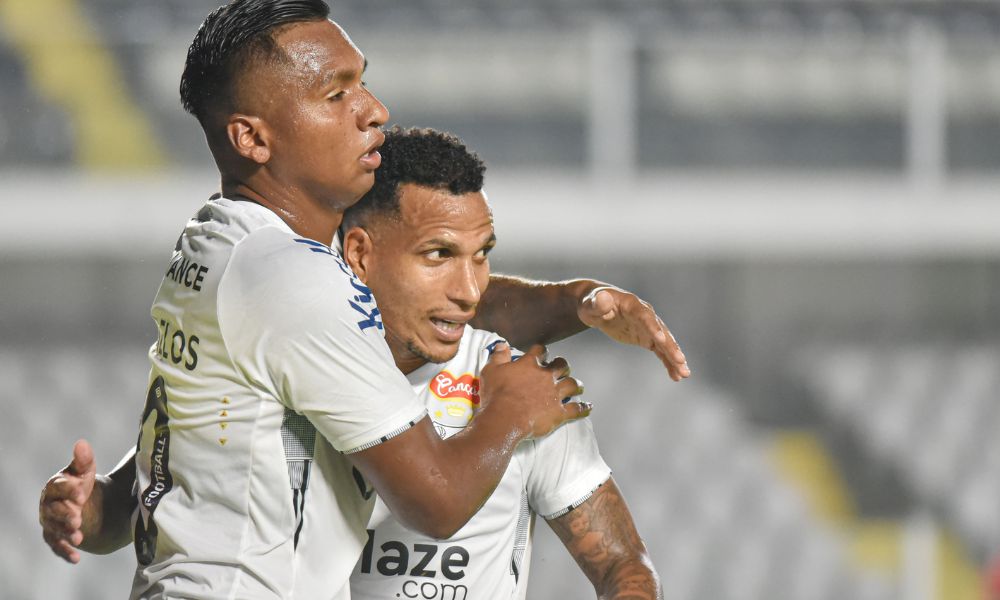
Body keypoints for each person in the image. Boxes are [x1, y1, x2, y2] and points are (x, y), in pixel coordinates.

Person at [39, 2, 686, 599]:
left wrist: (578, 302)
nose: (374, 109)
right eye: (336, 94)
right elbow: (436, 501)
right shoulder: (294, 280)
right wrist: (513, 410)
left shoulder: (221, 245)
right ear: (253, 139)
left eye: (362, 82)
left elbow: (189, 458)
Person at [342, 126, 661, 599]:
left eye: (481, 255)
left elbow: (623, 565)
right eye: (438, 254)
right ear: (359, 253)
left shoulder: (526, 384)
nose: (470, 291)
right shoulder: (298, 365)